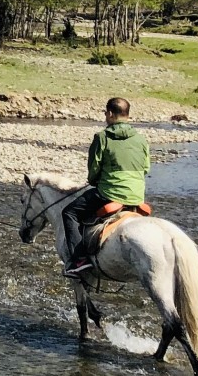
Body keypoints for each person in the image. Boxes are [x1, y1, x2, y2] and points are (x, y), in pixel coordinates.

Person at [63, 96, 152, 277]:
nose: (105, 116)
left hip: (109, 193)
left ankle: (78, 261)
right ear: (127, 115)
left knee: (69, 213)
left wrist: (95, 181)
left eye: (106, 113)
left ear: (110, 114)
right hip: (137, 195)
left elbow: (94, 170)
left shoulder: (102, 137)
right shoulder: (141, 140)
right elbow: (146, 168)